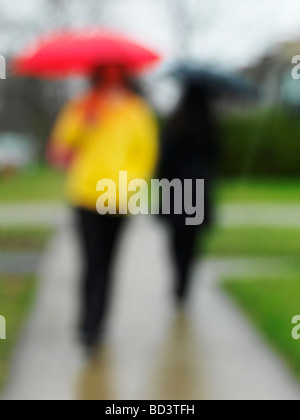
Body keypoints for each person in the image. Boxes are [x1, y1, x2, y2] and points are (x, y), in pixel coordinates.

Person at [47, 65, 159, 350]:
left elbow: (145, 153)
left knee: (108, 261)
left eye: (116, 74)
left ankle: (98, 322)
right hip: (85, 195)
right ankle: (87, 323)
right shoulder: (81, 106)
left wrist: (129, 186)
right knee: (91, 261)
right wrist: (86, 121)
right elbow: (62, 144)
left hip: (119, 199)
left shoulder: (136, 111)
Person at [158, 82, 219, 304]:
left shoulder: (175, 124)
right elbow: (215, 158)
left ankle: (178, 280)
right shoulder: (209, 125)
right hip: (199, 191)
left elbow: (164, 159)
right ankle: (184, 285)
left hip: (177, 191)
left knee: (176, 241)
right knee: (192, 244)